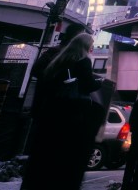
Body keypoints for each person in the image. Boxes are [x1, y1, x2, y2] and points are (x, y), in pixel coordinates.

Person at [21, 33, 101, 190]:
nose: (92, 47)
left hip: (50, 112)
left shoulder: (59, 61)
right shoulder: (83, 61)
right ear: (85, 46)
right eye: (91, 44)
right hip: (71, 114)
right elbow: (87, 86)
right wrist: (98, 83)